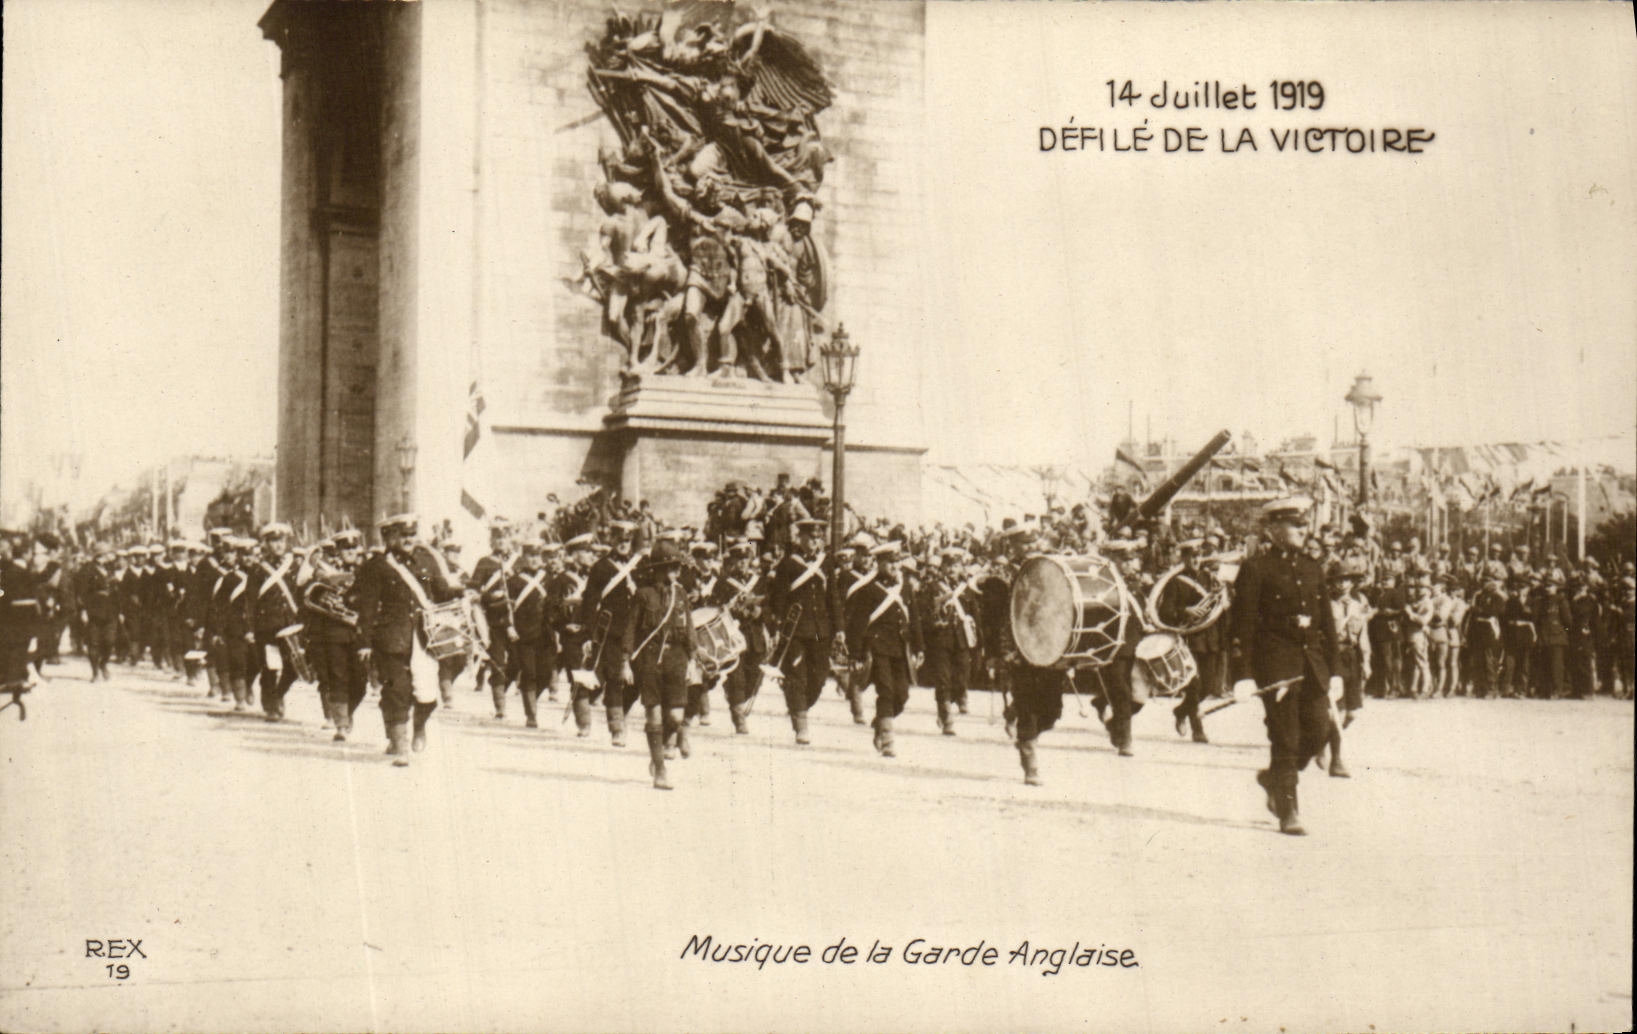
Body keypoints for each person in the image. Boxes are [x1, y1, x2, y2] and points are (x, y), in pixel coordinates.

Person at [1228, 497, 1341, 836]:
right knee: (1286, 738)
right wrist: (1243, 675)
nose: (1304, 530)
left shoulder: (1312, 567)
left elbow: (1327, 624)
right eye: (1296, 525)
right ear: (1274, 528)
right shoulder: (1256, 568)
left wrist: (1335, 670)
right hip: (1276, 667)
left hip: (1312, 665)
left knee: (1320, 731)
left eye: (1305, 525)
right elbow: (1242, 625)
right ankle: (1288, 809)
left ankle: (1273, 779)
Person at [353, 515, 459, 765]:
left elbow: (442, 592)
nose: (408, 539)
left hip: (424, 638)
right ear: (389, 538)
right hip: (391, 638)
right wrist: (364, 642)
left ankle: (419, 726)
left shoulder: (426, 560)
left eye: (412, 535)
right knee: (396, 691)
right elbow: (367, 607)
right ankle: (400, 745)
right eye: (402, 535)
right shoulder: (376, 566)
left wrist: (465, 592)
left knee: (427, 696)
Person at [619, 540, 697, 790]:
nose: (677, 572)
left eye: (678, 567)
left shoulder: (680, 594)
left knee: (675, 716)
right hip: (650, 660)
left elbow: (689, 628)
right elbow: (630, 629)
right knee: (653, 713)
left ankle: (660, 751)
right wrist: (625, 662)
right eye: (672, 567)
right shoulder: (643, 595)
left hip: (677, 659)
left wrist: (693, 659)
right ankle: (660, 770)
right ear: (659, 569)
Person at [765, 518, 843, 745]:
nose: (814, 542)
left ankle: (796, 707)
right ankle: (801, 725)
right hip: (796, 631)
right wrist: (776, 628)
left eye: (818, 538)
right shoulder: (788, 564)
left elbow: (833, 598)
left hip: (821, 631)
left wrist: (839, 629)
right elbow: (778, 600)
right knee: (797, 676)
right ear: (800, 538)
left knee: (818, 678)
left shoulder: (826, 563)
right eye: (810, 538)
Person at [844, 542, 923, 757]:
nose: (894, 566)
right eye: (889, 562)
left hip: (900, 648)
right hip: (877, 648)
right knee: (886, 691)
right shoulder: (868, 589)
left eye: (897, 562)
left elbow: (914, 619)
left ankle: (880, 721)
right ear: (879, 563)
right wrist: (855, 654)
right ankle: (887, 740)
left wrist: (919, 647)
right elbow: (858, 624)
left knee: (902, 695)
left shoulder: (905, 588)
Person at [578, 521, 642, 745]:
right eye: (619, 540)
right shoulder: (601, 567)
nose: (623, 544)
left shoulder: (639, 566)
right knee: (608, 677)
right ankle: (611, 727)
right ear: (612, 540)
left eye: (627, 540)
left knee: (627, 680)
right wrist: (587, 634)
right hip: (608, 631)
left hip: (633, 632)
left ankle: (618, 722)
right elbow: (589, 602)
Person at [246, 523, 301, 722]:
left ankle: (278, 694)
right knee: (270, 667)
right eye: (273, 541)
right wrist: (250, 629)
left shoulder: (294, 567)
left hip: (289, 625)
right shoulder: (258, 569)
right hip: (267, 626)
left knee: (293, 667)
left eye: (281, 541)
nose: (278, 545)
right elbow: (250, 601)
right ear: (266, 544)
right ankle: (271, 705)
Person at [507, 541, 556, 728]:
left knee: (545, 673)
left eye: (537, 556)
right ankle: (531, 714)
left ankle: (530, 698)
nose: (534, 560)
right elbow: (506, 609)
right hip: (524, 634)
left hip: (544, 635)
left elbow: (554, 607)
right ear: (524, 558)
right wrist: (509, 627)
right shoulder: (514, 581)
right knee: (529, 672)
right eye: (530, 556)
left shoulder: (549, 579)